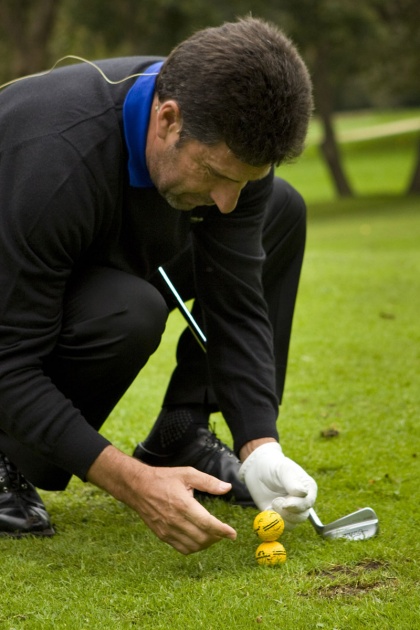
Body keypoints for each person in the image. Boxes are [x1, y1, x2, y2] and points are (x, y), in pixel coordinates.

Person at [0, 16, 317, 554]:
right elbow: (8, 360)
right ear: (168, 120)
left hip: (91, 253)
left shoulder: (219, 146)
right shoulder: (54, 164)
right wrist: (130, 482)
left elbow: (236, 305)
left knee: (279, 210)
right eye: (217, 174)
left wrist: (259, 444)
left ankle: (182, 434)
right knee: (125, 310)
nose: (226, 202)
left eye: (242, 180)